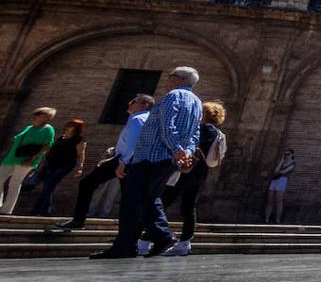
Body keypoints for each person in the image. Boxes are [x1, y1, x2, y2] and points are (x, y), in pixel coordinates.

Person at [90, 66, 202, 259]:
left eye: (170, 75)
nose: (167, 79)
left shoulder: (173, 96)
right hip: (167, 158)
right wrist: (186, 151)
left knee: (132, 200)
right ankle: (137, 243)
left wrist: (177, 150)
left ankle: (150, 239)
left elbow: (167, 125)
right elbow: (194, 132)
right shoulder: (198, 102)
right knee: (147, 198)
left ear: (179, 79)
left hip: (152, 156)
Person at [51, 94, 154, 232]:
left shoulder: (138, 119)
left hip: (126, 161)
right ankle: (133, 231)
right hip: (126, 159)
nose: (129, 102)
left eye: (134, 101)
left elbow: (133, 143)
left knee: (91, 185)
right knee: (127, 196)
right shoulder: (143, 118)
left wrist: (122, 162)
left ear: (145, 105)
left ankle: (80, 221)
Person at [158, 101, 227, 256]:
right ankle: (184, 242)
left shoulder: (202, 129)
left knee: (163, 202)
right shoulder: (217, 133)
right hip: (201, 172)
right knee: (188, 207)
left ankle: (155, 237)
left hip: (186, 169)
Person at [0, 106, 56, 215]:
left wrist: (32, 159)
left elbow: (47, 146)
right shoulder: (29, 127)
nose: (36, 116)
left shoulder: (48, 129)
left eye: (41, 115)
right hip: (11, 158)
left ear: (47, 118)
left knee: (14, 183)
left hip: (26, 160)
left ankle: (6, 210)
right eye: (37, 113)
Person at [32, 119, 87, 216]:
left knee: (49, 186)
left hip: (65, 165)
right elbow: (51, 152)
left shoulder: (79, 140)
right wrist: (43, 163)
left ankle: (35, 211)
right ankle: (46, 212)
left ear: (76, 128)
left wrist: (80, 167)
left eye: (71, 125)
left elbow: (81, 154)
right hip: (51, 164)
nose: (68, 127)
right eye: (68, 124)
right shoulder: (61, 138)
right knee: (48, 187)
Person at [265, 149, 295, 223]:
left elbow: (284, 172)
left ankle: (277, 219)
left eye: (288, 154)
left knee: (279, 201)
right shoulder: (282, 162)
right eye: (285, 154)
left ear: (292, 155)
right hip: (274, 180)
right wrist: (282, 160)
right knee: (270, 200)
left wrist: (278, 172)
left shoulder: (293, 164)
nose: (286, 156)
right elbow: (276, 170)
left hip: (282, 181)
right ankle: (266, 219)